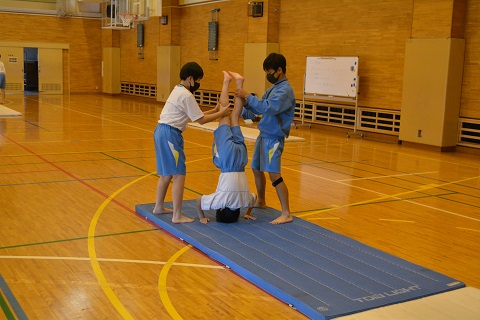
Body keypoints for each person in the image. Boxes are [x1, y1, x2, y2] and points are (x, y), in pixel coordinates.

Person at [153, 62, 230, 223]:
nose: (198, 84)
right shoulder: (187, 95)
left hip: (161, 131)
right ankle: (177, 216)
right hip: (169, 135)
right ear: (190, 79)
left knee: (166, 174)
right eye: (198, 80)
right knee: (179, 174)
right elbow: (201, 120)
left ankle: (158, 207)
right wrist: (222, 112)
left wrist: (215, 111)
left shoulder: (177, 90)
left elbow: (192, 115)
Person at [235, 53, 296, 224]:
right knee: (256, 167)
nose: (268, 75)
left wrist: (248, 96)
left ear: (279, 70)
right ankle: (261, 200)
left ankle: (286, 212)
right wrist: (244, 106)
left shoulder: (285, 90)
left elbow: (267, 107)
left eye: (270, 71)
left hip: (273, 138)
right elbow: (258, 110)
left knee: (274, 175)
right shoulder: (273, 88)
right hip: (264, 135)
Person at [196, 71, 257, 224]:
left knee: (235, 117)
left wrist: (248, 213)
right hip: (227, 160)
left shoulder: (245, 201)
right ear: (221, 209)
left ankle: (239, 83)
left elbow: (254, 199)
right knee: (223, 116)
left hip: (241, 160)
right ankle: (226, 81)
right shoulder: (221, 201)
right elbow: (198, 200)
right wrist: (202, 217)